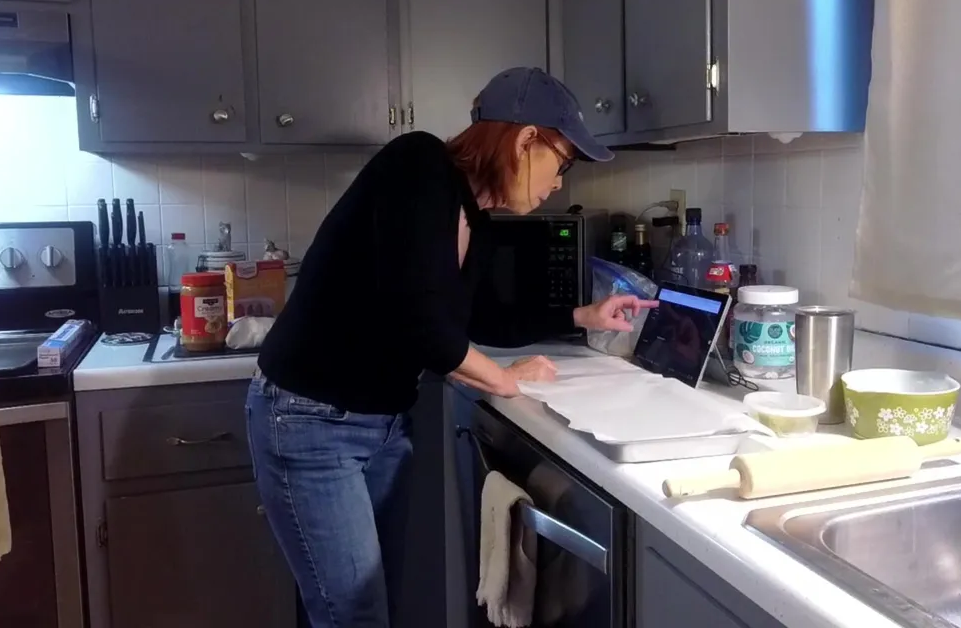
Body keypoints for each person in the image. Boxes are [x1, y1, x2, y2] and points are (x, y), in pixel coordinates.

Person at [247, 67, 655, 628]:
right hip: (309, 419)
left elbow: (481, 318)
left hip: (380, 426)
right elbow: (419, 320)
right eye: (562, 163)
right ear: (525, 140)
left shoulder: (474, 218)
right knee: (354, 614)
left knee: (364, 605)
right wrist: (501, 378)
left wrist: (581, 316)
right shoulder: (417, 165)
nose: (560, 183)